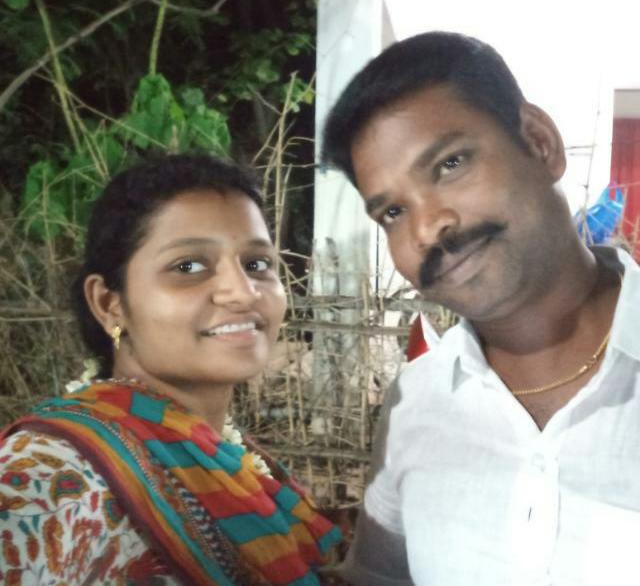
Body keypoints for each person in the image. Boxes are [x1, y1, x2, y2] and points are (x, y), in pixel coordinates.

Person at [321, 31, 640, 585]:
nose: (427, 228)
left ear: (539, 142)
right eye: (392, 212)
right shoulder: (416, 404)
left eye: (450, 164)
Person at [0, 155, 342, 585]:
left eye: (257, 264)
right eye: (188, 267)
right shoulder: (46, 476)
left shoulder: (234, 461)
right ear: (109, 304)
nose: (242, 293)